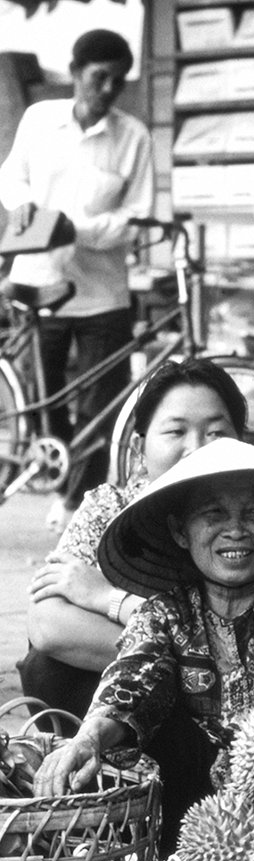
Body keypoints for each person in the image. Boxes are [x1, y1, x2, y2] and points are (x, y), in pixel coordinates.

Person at [33, 439, 254, 850]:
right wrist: (88, 737)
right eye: (213, 513)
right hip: (196, 810)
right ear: (181, 530)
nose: (235, 530)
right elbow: (133, 677)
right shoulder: (166, 612)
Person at [20, 357, 249, 720]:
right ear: (141, 447)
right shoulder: (108, 507)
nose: (197, 448)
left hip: (231, 719)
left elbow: (250, 648)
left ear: (241, 442)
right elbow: (48, 626)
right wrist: (195, 663)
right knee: (46, 666)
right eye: (176, 432)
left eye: (216, 432)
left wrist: (109, 600)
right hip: (130, 707)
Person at [0, 29, 154, 530]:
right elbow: (11, 174)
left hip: (101, 292)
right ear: (75, 72)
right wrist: (22, 204)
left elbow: (136, 217)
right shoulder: (40, 118)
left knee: (101, 404)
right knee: (44, 401)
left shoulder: (134, 136)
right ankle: (54, 471)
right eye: (98, 77)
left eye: (117, 81)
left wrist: (78, 229)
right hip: (37, 280)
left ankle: (76, 505)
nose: (106, 89)